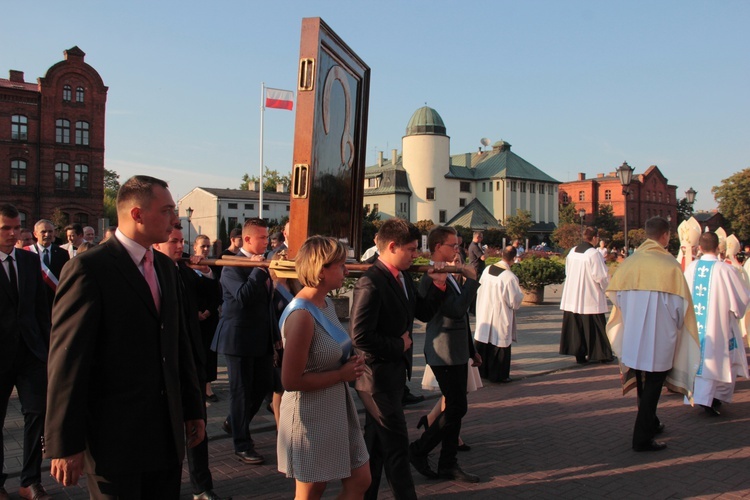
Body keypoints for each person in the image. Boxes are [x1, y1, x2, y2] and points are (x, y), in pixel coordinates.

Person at [45, 175, 206, 497]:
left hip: (165, 436)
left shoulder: (165, 268)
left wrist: (192, 408)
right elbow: (68, 360)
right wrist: (64, 443)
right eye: (167, 210)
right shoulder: (89, 269)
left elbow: (178, 345)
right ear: (137, 214)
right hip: (113, 442)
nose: (175, 220)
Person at [349, 218, 447, 500]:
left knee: (377, 449)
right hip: (375, 378)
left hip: (393, 376)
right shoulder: (371, 282)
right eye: (412, 249)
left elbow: (424, 313)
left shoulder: (403, 277)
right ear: (392, 246)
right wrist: (398, 344)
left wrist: (439, 286)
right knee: (397, 448)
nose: (416, 255)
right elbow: (359, 337)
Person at [277, 236, 370, 499]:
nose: (347, 270)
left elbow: (328, 350)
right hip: (309, 414)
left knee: (361, 478)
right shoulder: (302, 315)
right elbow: (290, 381)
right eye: (341, 265)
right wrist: (341, 374)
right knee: (311, 491)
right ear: (321, 271)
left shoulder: (325, 303)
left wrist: (349, 363)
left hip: (336, 405)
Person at [606, 216, 700, 452]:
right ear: (666, 235)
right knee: (653, 387)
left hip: (634, 336)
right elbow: (680, 308)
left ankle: (652, 422)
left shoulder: (629, 263)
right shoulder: (669, 266)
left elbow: (617, 299)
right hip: (659, 337)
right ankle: (642, 438)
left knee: (642, 383)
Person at [154, 226, 229, 500]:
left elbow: (209, 287)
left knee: (199, 426)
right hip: (163, 365)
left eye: (181, 241)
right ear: (158, 244)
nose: (179, 246)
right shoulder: (151, 272)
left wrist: (206, 270)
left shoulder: (184, 269)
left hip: (191, 361)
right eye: (173, 241)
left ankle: (202, 486)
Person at [408, 226, 481, 483]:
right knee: (457, 406)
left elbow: (463, 317)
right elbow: (456, 310)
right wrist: (472, 280)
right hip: (443, 351)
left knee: (456, 408)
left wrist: (472, 349)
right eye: (453, 245)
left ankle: (448, 463)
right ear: (438, 246)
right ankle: (419, 449)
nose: (457, 250)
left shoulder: (449, 272)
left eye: (459, 245)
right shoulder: (433, 275)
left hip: (458, 350)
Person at [211, 218, 276, 465]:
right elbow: (242, 298)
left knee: (262, 387)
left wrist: (275, 336)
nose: (267, 241)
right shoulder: (232, 266)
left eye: (267, 236)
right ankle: (242, 444)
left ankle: (233, 421)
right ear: (247, 239)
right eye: (262, 237)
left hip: (260, 338)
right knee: (240, 392)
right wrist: (259, 272)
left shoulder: (264, 263)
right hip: (238, 339)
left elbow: (267, 304)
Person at [0, 204, 52, 500]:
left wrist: (45, 350)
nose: (12, 233)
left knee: (36, 413)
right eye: (5, 228)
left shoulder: (29, 262)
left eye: (16, 227)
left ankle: (30, 480)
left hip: (31, 353)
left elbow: (40, 310)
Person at [683, 232, 749, 416]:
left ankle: (704, 396)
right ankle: (710, 398)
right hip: (719, 325)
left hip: (696, 326)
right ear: (718, 248)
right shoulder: (725, 269)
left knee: (700, 359)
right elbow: (742, 298)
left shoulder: (691, 268)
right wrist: (736, 312)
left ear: (700, 248)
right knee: (718, 359)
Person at [559, 227, 613, 364]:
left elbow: (567, 270)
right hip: (589, 293)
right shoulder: (594, 254)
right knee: (594, 325)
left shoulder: (572, 251)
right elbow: (601, 276)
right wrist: (608, 289)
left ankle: (580, 355)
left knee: (577, 325)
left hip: (572, 293)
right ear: (595, 238)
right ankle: (601, 354)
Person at [474, 245, 524, 382]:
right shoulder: (510, 277)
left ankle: (482, 372)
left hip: (485, 311)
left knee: (485, 341)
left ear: (502, 255)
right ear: (514, 259)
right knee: (498, 342)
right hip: (499, 316)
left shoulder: (487, 270)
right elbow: (514, 302)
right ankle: (498, 375)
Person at [193, 235, 222, 402]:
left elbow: (218, 294)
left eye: (207, 247)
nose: (205, 249)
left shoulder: (212, 269)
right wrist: (195, 311)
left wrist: (209, 311)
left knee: (210, 353)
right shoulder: (188, 269)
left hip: (210, 318)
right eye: (202, 246)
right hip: (194, 318)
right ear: (195, 247)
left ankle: (208, 386)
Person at [28, 219, 69, 313]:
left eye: (50, 231)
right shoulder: (27, 253)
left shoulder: (63, 253)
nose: (47, 234)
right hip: (34, 302)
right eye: (43, 232)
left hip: (55, 302)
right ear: (35, 234)